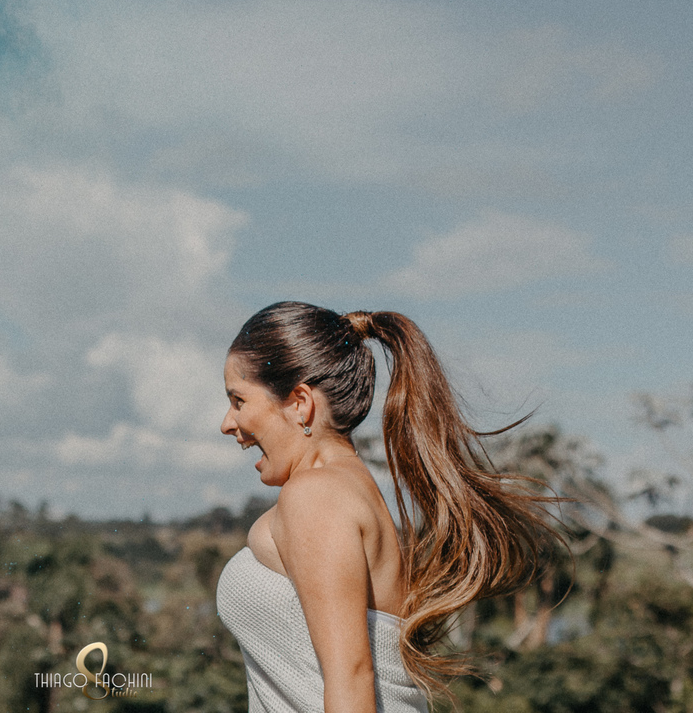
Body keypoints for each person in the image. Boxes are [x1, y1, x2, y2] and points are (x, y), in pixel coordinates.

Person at [215, 302, 556, 712]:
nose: (227, 423)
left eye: (238, 400)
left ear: (301, 402)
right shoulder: (345, 487)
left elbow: (351, 676)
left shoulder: (315, 495)